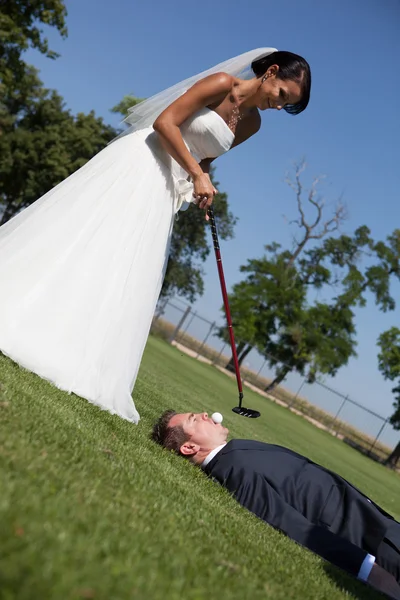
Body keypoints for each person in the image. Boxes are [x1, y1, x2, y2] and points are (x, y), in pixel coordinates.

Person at [0, 49, 311, 424]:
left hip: (166, 184)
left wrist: (199, 183)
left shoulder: (252, 124)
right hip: (142, 163)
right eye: (282, 94)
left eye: (288, 103)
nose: (280, 106)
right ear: (271, 72)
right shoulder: (221, 85)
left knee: (120, 267)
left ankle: (65, 343)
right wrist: (196, 173)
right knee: (85, 239)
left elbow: (208, 157)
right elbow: (166, 123)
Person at [152, 409, 400, 599]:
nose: (205, 414)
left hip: (374, 522)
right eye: (194, 420)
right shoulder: (231, 467)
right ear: (189, 447)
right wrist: (365, 567)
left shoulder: (233, 453)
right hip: (370, 539)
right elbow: (288, 522)